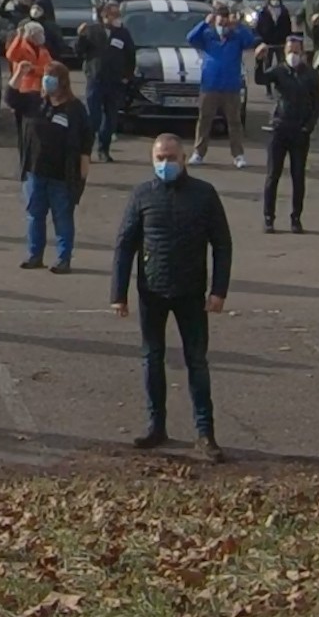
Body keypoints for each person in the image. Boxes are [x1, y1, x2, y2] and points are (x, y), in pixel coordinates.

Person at [111, 134, 233, 464]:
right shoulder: (142, 195)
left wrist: (218, 290)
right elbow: (125, 245)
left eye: (172, 157)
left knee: (197, 361)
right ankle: (156, 427)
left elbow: (222, 244)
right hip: (152, 291)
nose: (165, 163)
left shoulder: (204, 195)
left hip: (192, 293)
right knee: (152, 359)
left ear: (183, 158)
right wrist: (118, 294)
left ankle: (205, 433)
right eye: (160, 158)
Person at [6, 60, 91, 273]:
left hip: (62, 175)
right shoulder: (34, 101)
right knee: (35, 215)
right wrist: (18, 73)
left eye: (51, 76)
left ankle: (63, 259)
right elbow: (11, 97)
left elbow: (86, 143)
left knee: (62, 218)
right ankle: (35, 255)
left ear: (62, 82)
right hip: (35, 172)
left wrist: (82, 175)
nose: (46, 80)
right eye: (45, 76)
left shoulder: (75, 109)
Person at [255, 35, 319, 233]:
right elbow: (260, 79)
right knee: (272, 175)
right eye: (289, 51)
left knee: (298, 176)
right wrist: (259, 61)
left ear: (302, 53)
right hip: (279, 129)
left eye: (296, 51)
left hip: (300, 131)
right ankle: (269, 217)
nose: (293, 55)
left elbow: (317, 103)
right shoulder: (279, 71)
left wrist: (308, 126)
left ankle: (296, 218)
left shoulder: (310, 74)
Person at [186, 8, 256, 167]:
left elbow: (250, 41)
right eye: (220, 18)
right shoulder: (207, 35)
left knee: (234, 122)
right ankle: (198, 153)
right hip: (210, 85)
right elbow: (190, 38)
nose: (223, 22)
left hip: (231, 86)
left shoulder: (237, 36)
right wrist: (204, 24)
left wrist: (239, 25)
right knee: (204, 120)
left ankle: (238, 155)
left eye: (226, 18)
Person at [76, 3, 137, 163]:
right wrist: (81, 36)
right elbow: (79, 52)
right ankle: (85, 151)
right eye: (114, 15)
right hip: (96, 80)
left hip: (115, 82)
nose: (117, 18)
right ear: (104, 17)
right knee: (93, 118)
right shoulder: (92, 31)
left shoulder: (123, 33)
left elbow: (130, 55)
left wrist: (127, 76)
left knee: (110, 119)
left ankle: (104, 150)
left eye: (118, 15)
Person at [252, 0, 293, 94]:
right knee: (268, 66)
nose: (275, 1)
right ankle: (268, 90)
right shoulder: (264, 12)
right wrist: (260, 40)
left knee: (282, 66)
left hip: (280, 43)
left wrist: (287, 38)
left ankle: (280, 88)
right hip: (267, 44)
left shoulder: (284, 12)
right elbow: (258, 27)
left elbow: (288, 26)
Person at [4, 21, 52, 95]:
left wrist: (34, 70)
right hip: (22, 89)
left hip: (39, 89)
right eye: (39, 33)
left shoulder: (43, 50)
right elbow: (10, 55)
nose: (42, 36)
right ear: (32, 35)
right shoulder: (20, 47)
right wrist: (19, 37)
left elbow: (49, 67)